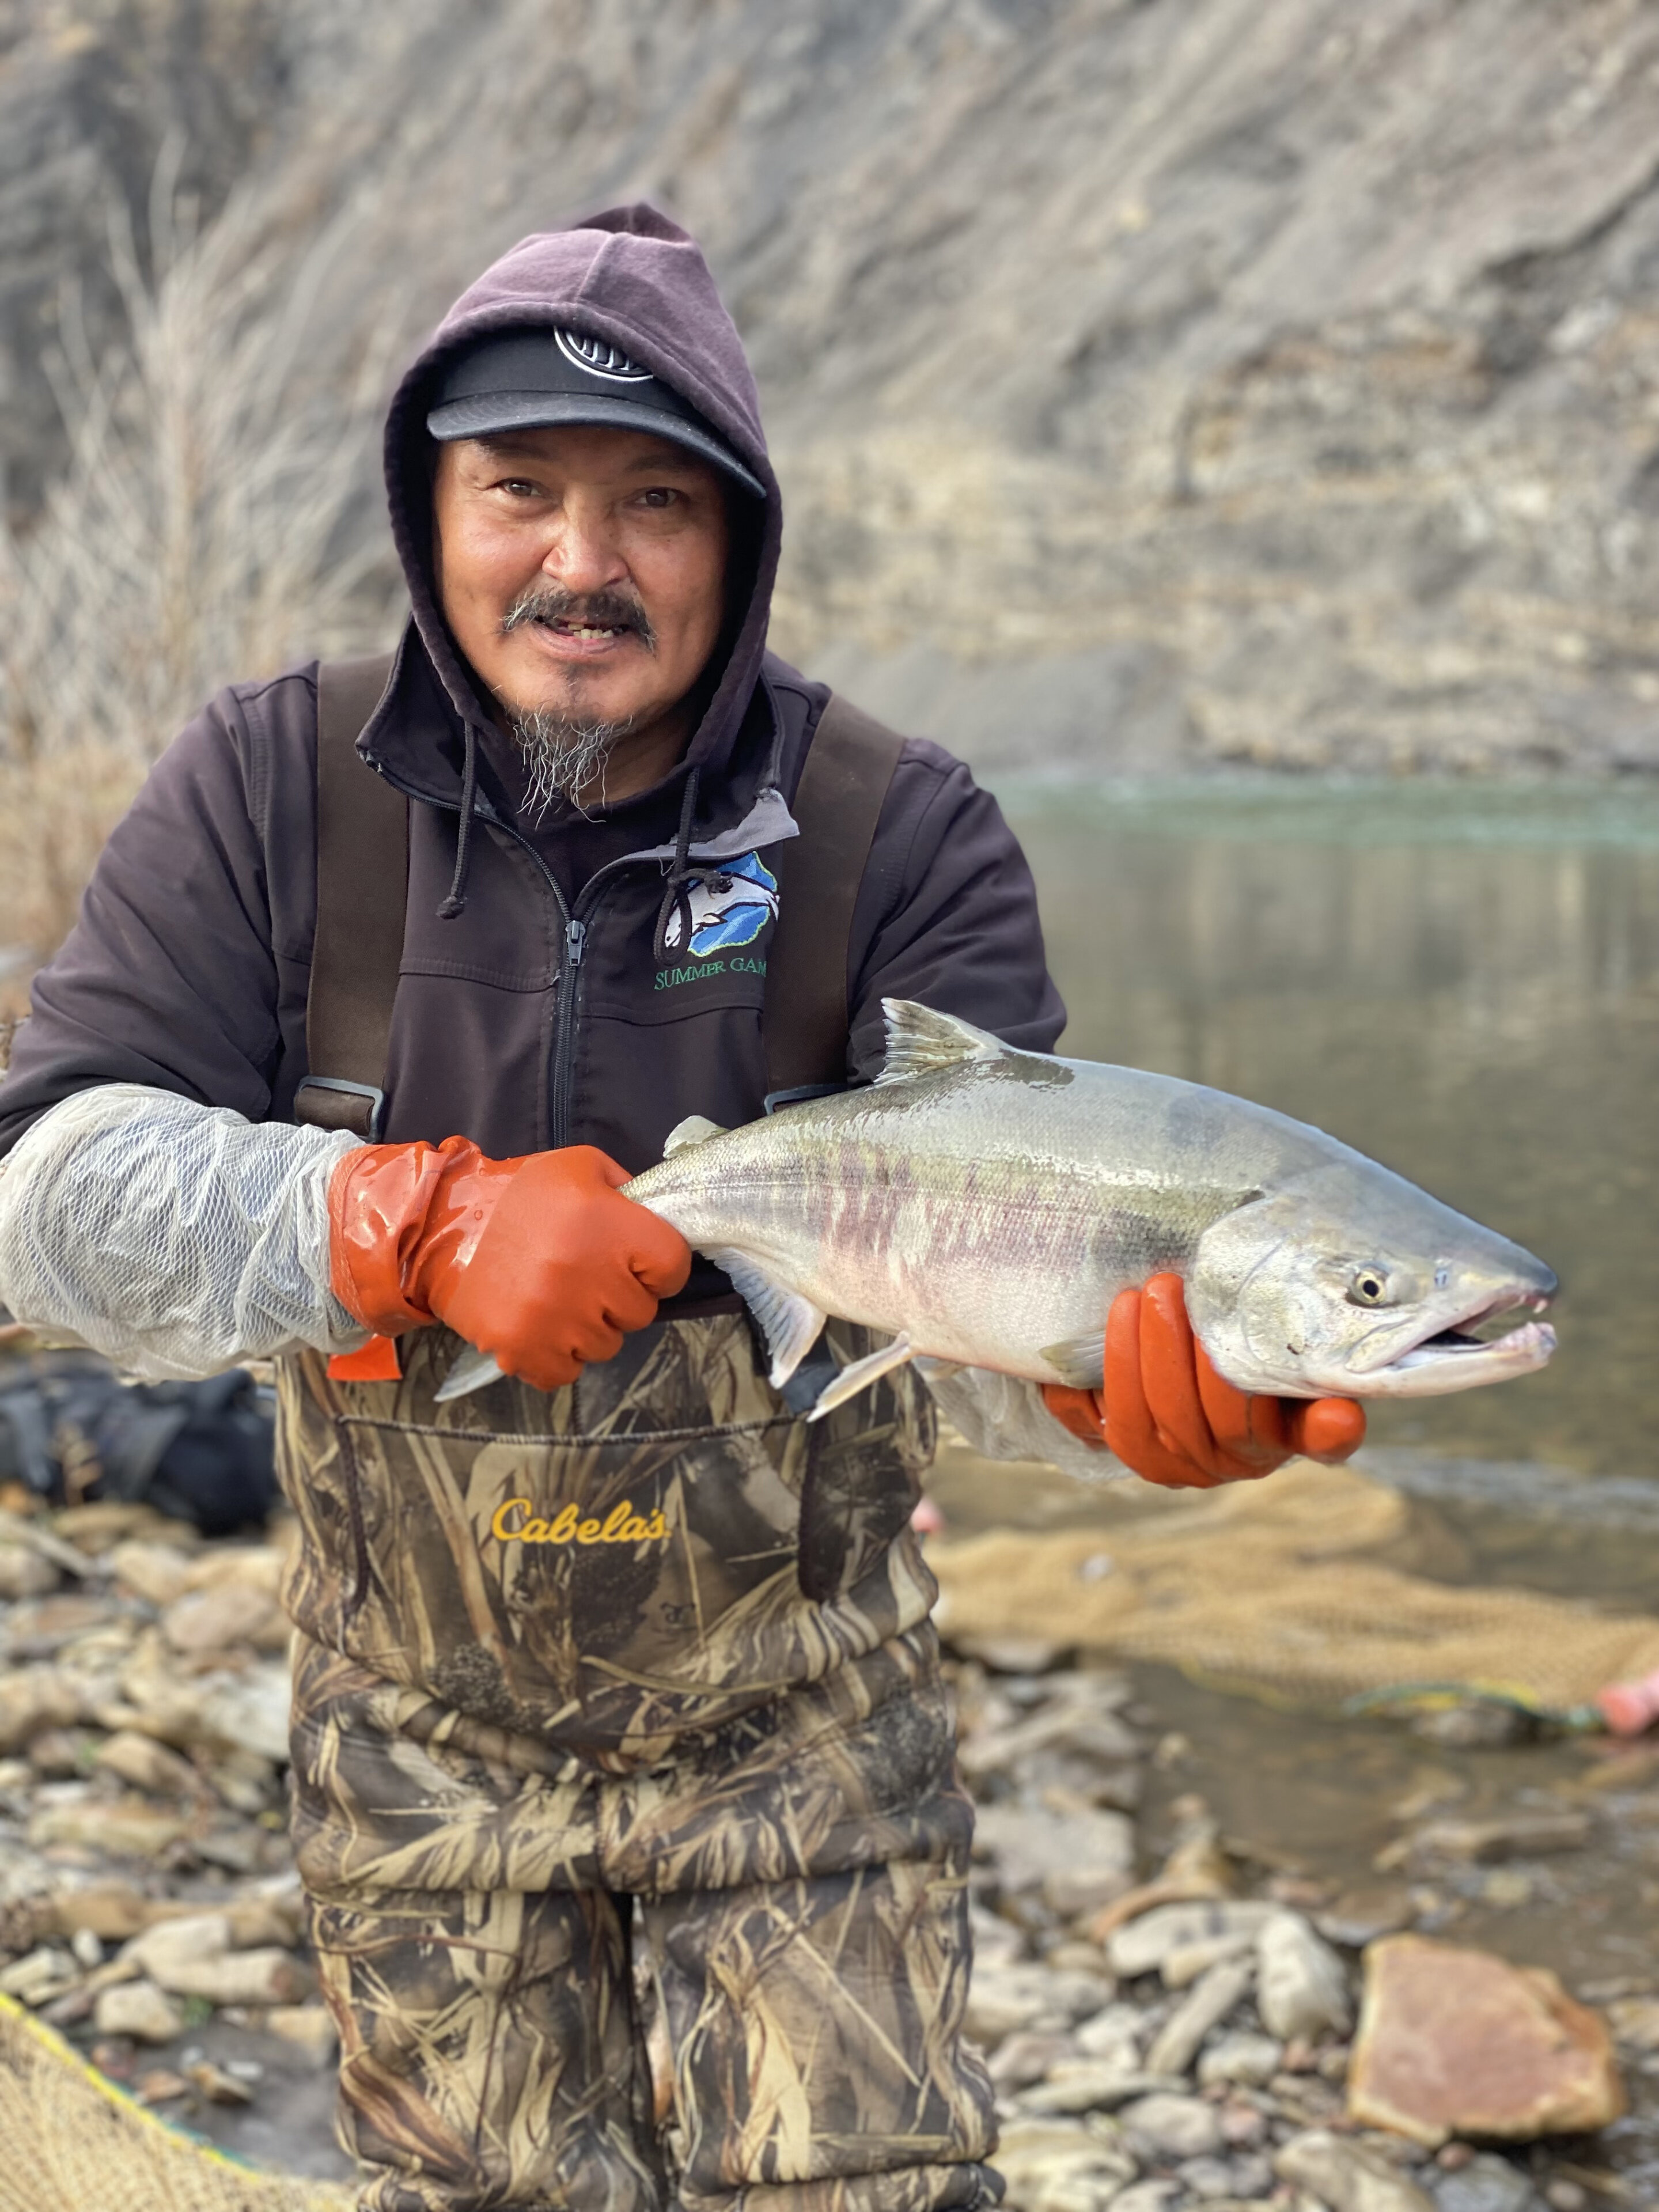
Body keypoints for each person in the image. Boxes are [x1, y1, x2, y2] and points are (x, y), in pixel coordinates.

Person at [0, 206, 1362, 2212]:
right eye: (519, 490)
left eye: (654, 502)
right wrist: (400, 1221)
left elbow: (973, 1303)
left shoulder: (903, 833)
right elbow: (42, 1202)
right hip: (414, 1760)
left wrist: (1103, 1387)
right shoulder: (267, 792)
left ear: (739, 540)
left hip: (811, 1751)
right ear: (430, 509)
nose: (581, 560)